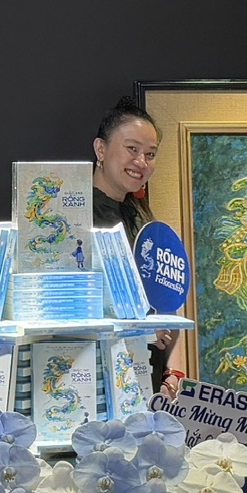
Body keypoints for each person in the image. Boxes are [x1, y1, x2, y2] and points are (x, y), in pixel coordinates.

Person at [89, 95, 177, 393]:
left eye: (150, 154)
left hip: (145, 377)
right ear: (101, 149)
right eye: (132, 149)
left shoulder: (141, 219)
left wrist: (170, 371)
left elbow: (165, 298)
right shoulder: (74, 217)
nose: (141, 162)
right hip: (96, 379)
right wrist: (144, 328)